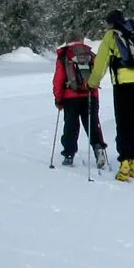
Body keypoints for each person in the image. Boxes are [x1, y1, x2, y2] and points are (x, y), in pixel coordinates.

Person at [86, 10, 134, 182]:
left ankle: (125, 162)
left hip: (123, 84)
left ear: (110, 23)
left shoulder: (111, 36)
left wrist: (92, 83)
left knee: (123, 123)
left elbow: (101, 62)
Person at [53, 31, 106, 169]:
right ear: (81, 40)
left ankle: (69, 155)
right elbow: (98, 73)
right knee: (92, 123)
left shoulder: (65, 54)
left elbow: (58, 79)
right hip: (90, 95)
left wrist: (58, 98)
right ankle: (98, 148)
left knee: (71, 126)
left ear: (67, 40)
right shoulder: (90, 54)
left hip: (70, 97)